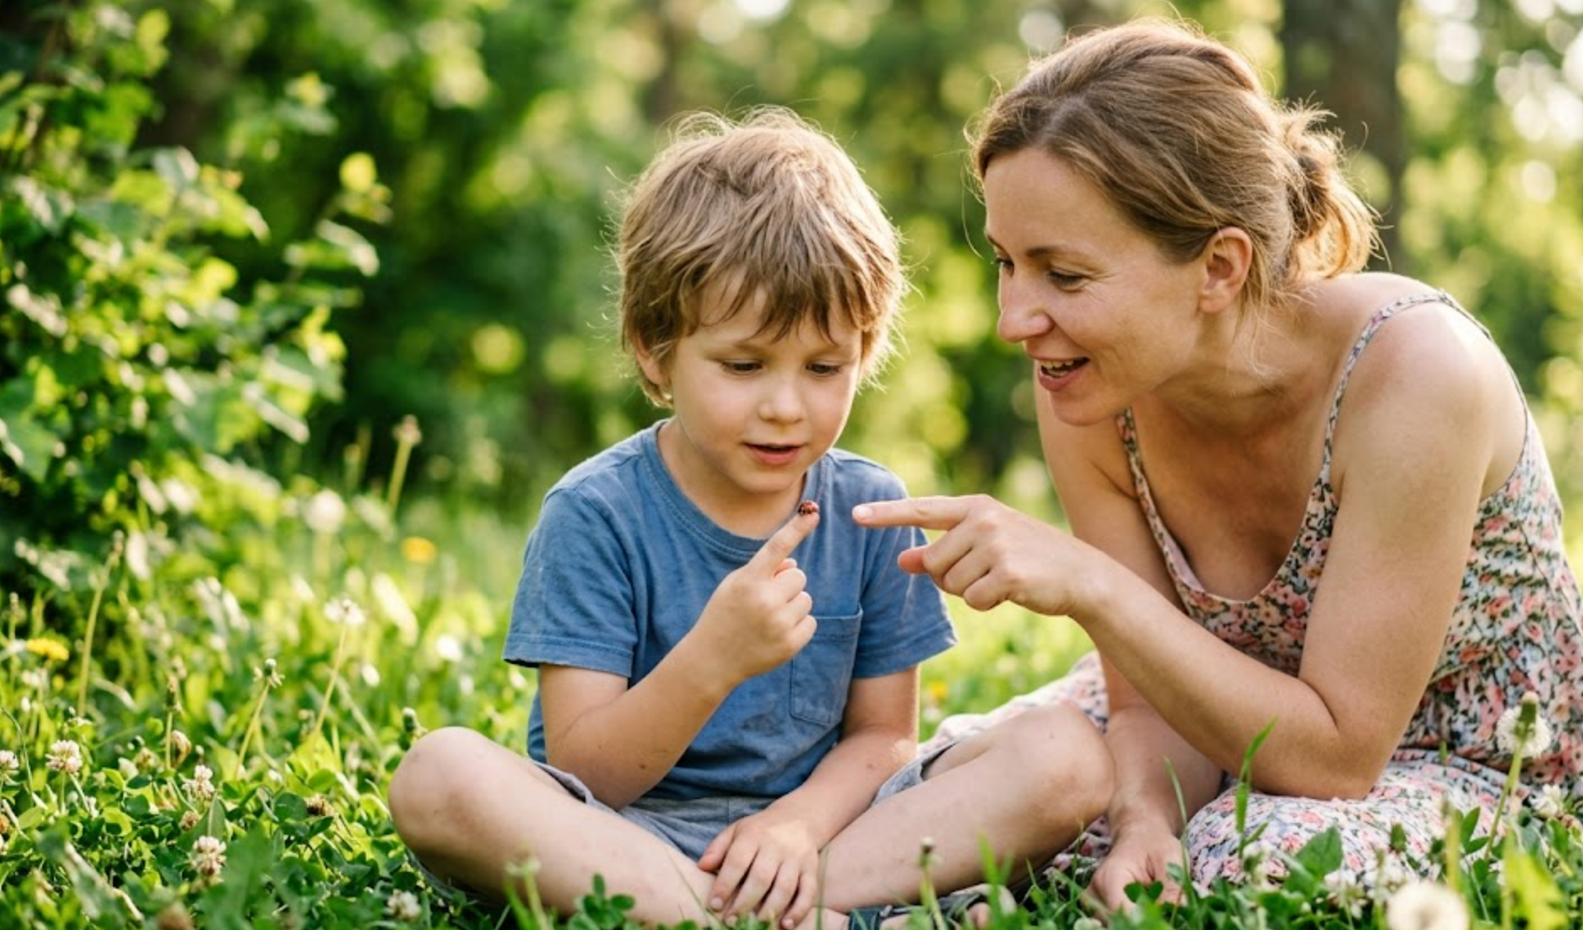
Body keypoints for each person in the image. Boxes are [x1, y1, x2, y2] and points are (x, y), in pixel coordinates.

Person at [853, 17, 1583, 909]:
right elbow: (1147, 704)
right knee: (985, 796)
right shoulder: (1089, 383)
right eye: (1008, 263)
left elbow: (1336, 757)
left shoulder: (1416, 377)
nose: (1015, 319)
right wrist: (1143, 822)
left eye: (1065, 276)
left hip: (1461, 766)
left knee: (1256, 859)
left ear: (1220, 267)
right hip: (1208, 725)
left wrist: (1091, 586)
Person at [387, 107, 1112, 929]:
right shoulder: (595, 514)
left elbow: (882, 743)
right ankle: (765, 912)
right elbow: (591, 771)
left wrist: (794, 827)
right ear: (654, 350)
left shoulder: (871, 510)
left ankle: (752, 907)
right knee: (438, 775)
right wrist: (711, 660)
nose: (784, 407)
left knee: (1068, 757)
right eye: (743, 365)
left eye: (824, 366)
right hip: (630, 834)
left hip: (828, 834)